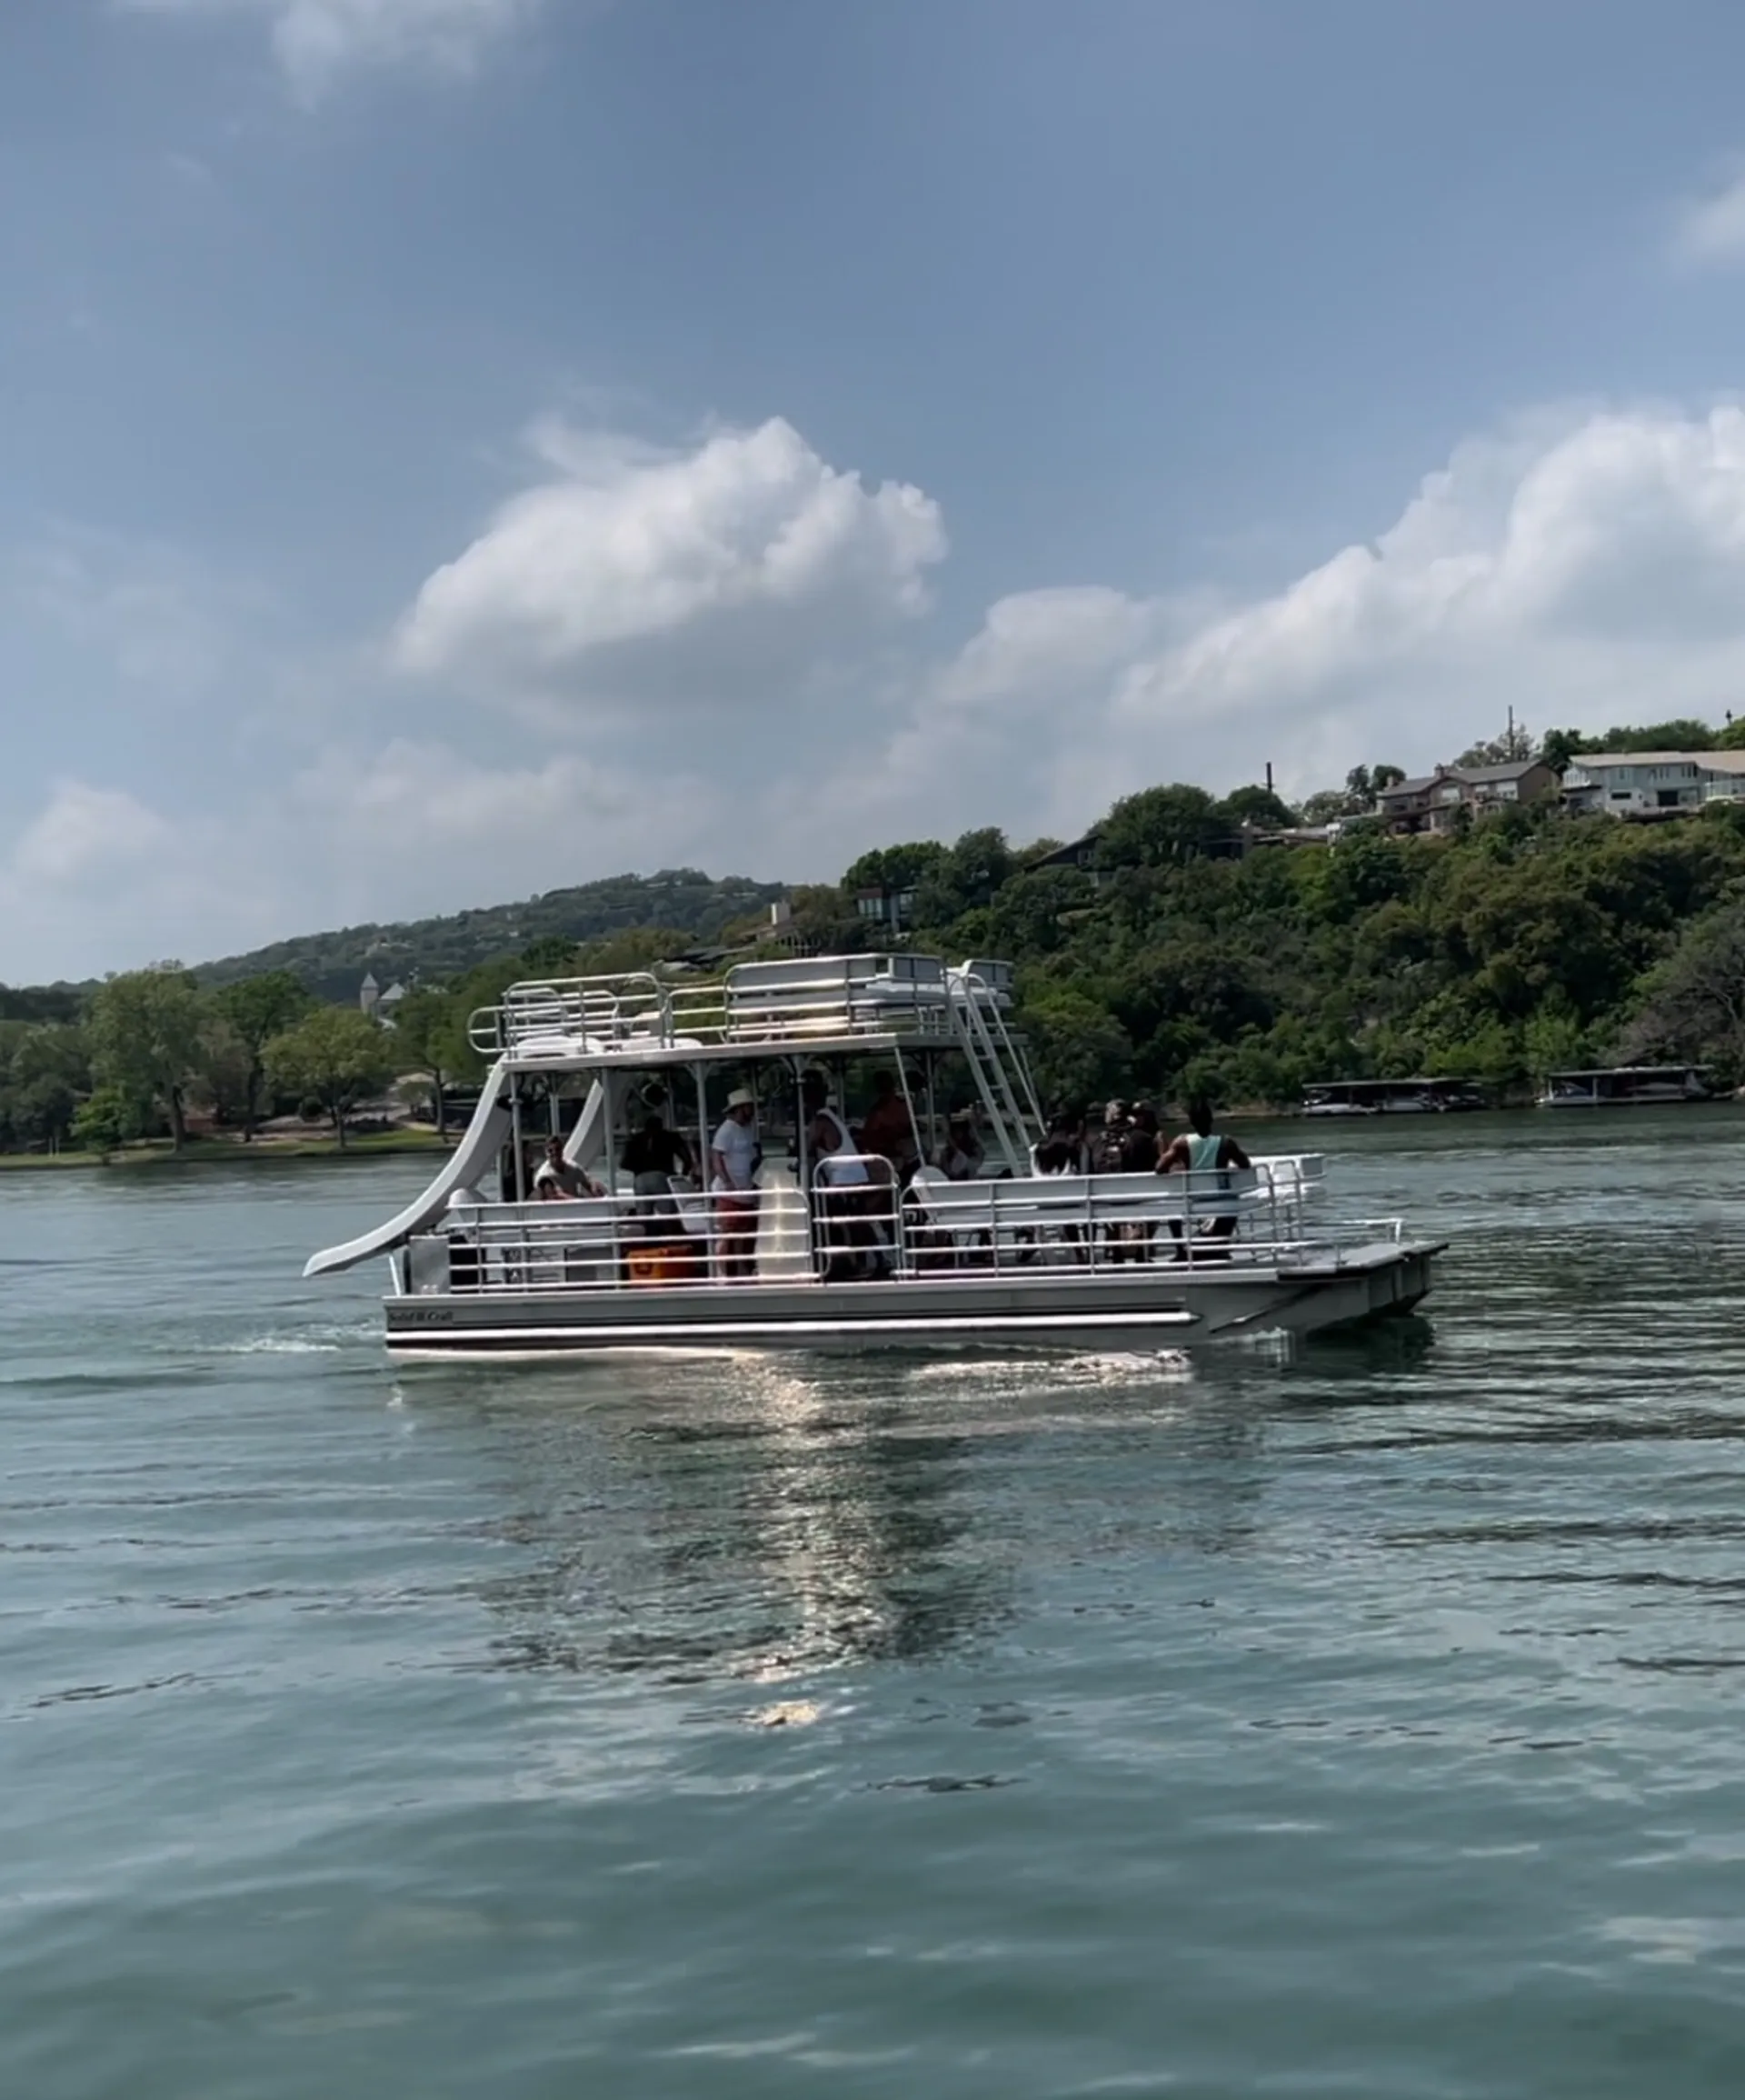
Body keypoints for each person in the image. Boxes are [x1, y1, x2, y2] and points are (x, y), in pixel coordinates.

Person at [803, 1072, 880, 1279]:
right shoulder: (830, 1115)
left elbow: (806, 1148)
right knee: (857, 1222)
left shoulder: (820, 1121)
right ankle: (871, 1259)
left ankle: (852, 1262)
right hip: (853, 1175)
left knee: (843, 1223)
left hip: (844, 1179)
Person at [1156, 1097, 1251, 1261]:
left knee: (1173, 1206)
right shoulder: (1226, 1142)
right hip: (1218, 1196)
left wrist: (1179, 1166)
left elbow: (1160, 1168)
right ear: (1211, 1119)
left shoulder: (1181, 1142)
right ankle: (1221, 1246)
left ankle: (1180, 1250)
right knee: (1232, 1199)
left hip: (1192, 1197)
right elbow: (1245, 1164)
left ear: (1191, 1121)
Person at [709, 1087, 762, 1281]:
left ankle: (741, 1269)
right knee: (728, 1232)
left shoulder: (748, 1129)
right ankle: (721, 1272)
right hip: (729, 1191)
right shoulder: (727, 1130)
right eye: (748, 1107)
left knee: (743, 1232)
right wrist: (727, 1181)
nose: (752, 1110)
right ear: (740, 1108)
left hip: (745, 1188)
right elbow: (716, 1157)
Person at [857, 1070, 920, 1182]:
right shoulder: (882, 1111)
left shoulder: (882, 1112)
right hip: (891, 1159)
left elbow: (869, 1138)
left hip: (902, 1159)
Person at [533, 1134, 603, 1200]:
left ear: (562, 1150)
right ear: (545, 1153)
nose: (555, 1153)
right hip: (556, 1209)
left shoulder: (572, 1167)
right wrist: (578, 1201)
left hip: (576, 1206)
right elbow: (555, 1195)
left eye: (558, 1149)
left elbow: (588, 1182)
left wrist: (594, 1189)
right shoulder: (543, 1175)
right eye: (550, 1151)